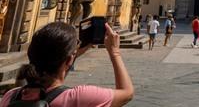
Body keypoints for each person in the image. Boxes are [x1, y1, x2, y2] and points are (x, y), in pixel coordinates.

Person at [0, 21, 133, 107]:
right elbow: (127, 93)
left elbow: (59, 62)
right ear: (69, 60)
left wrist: (78, 50)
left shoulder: (10, 97)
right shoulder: (80, 98)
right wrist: (115, 52)